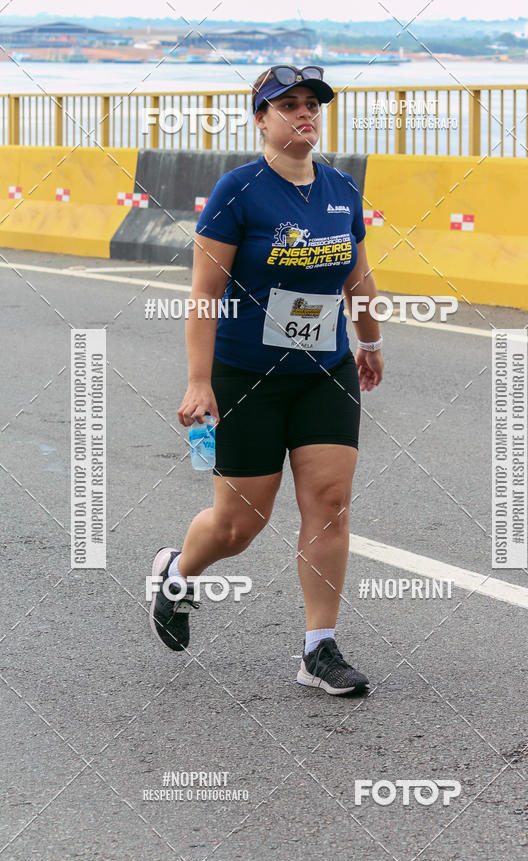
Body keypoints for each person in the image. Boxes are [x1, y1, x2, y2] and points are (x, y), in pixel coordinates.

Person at [149, 65, 383, 695]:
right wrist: (199, 382)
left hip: (323, 371)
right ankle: (177, 573)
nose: (304, 114)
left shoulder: (340, 188)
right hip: (247, 375)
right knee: (238, 526)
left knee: (330, 503)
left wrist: (370, 339)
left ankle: (318, 649)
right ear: (260, 119)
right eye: (289, 106)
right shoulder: (239, 190)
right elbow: (204, 294)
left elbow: (356, 276)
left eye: (312, 105)